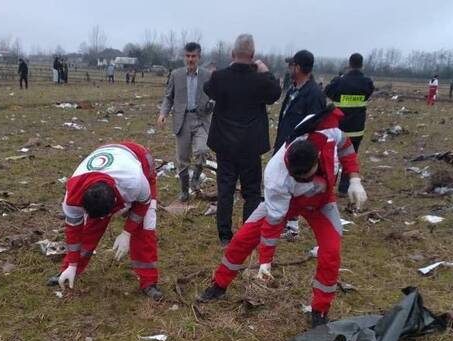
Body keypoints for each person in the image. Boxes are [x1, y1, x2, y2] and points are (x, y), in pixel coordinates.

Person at [197, 105, 366, 327]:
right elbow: (272, 225)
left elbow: (346, 146)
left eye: (308, 176)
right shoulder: (276, 178)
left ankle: (320, 310)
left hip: (321, 203)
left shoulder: (328, 134)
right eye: (300, 179)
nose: (304, 181)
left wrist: (354, 179)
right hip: (288, 201)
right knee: (242, 240)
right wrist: (265, 261)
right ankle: (219, 285)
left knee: (331, 251)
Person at [47, 142, 164, 301]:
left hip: (141, 161)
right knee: (91, 229)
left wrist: (127, 232)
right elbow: (73, 232)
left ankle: (149, 282)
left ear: (116, 200)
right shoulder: (72, 197)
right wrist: (72, 264)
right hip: (111, 164)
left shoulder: (134, 181)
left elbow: (144, 203)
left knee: (145, 227)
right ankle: (68, 271)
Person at [204, 34, 282, 244]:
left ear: (232, 54)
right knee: (252, 192)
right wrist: (266, 71)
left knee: (225, 190)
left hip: (225, 144)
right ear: (253, 55)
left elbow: (208, 89)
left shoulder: (220, 77)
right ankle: (247, 234)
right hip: (250, 144)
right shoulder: (260, 79)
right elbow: (276, 93)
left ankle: (224, 235)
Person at [275, 50, 327, 239]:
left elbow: (315, 127)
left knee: (295, 185)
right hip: (285, 145)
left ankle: (292, 226)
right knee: (283, 184)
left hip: (299, 152)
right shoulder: (293, 89)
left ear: (298, 67)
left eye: (292, 65)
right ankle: (284, 221)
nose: (289, 68)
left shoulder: (313, 94)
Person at [158, 42, 213, 202]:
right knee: (182, 159)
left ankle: (195, 179)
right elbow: (169, 97)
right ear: (184, 57)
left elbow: (214, 95)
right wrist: (163, 113)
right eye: (187, 56)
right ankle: (184, 190)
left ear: (199, 57)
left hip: (201, 119)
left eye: (193, 56)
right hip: (182, 120)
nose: (190, 59)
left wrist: (213, 103)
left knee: (202, 151)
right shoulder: (176, 75)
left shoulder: (207, 75)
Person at [324, 52, 373, 196]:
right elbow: (368, 93)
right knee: (350, 156)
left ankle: (329, 185)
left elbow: (327, 92)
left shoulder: (339, 81)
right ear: (361, 65)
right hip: (357, 128)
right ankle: (344, 188)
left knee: (333, 157)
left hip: (339, 127)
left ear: (349, 64)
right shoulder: (367, 82)